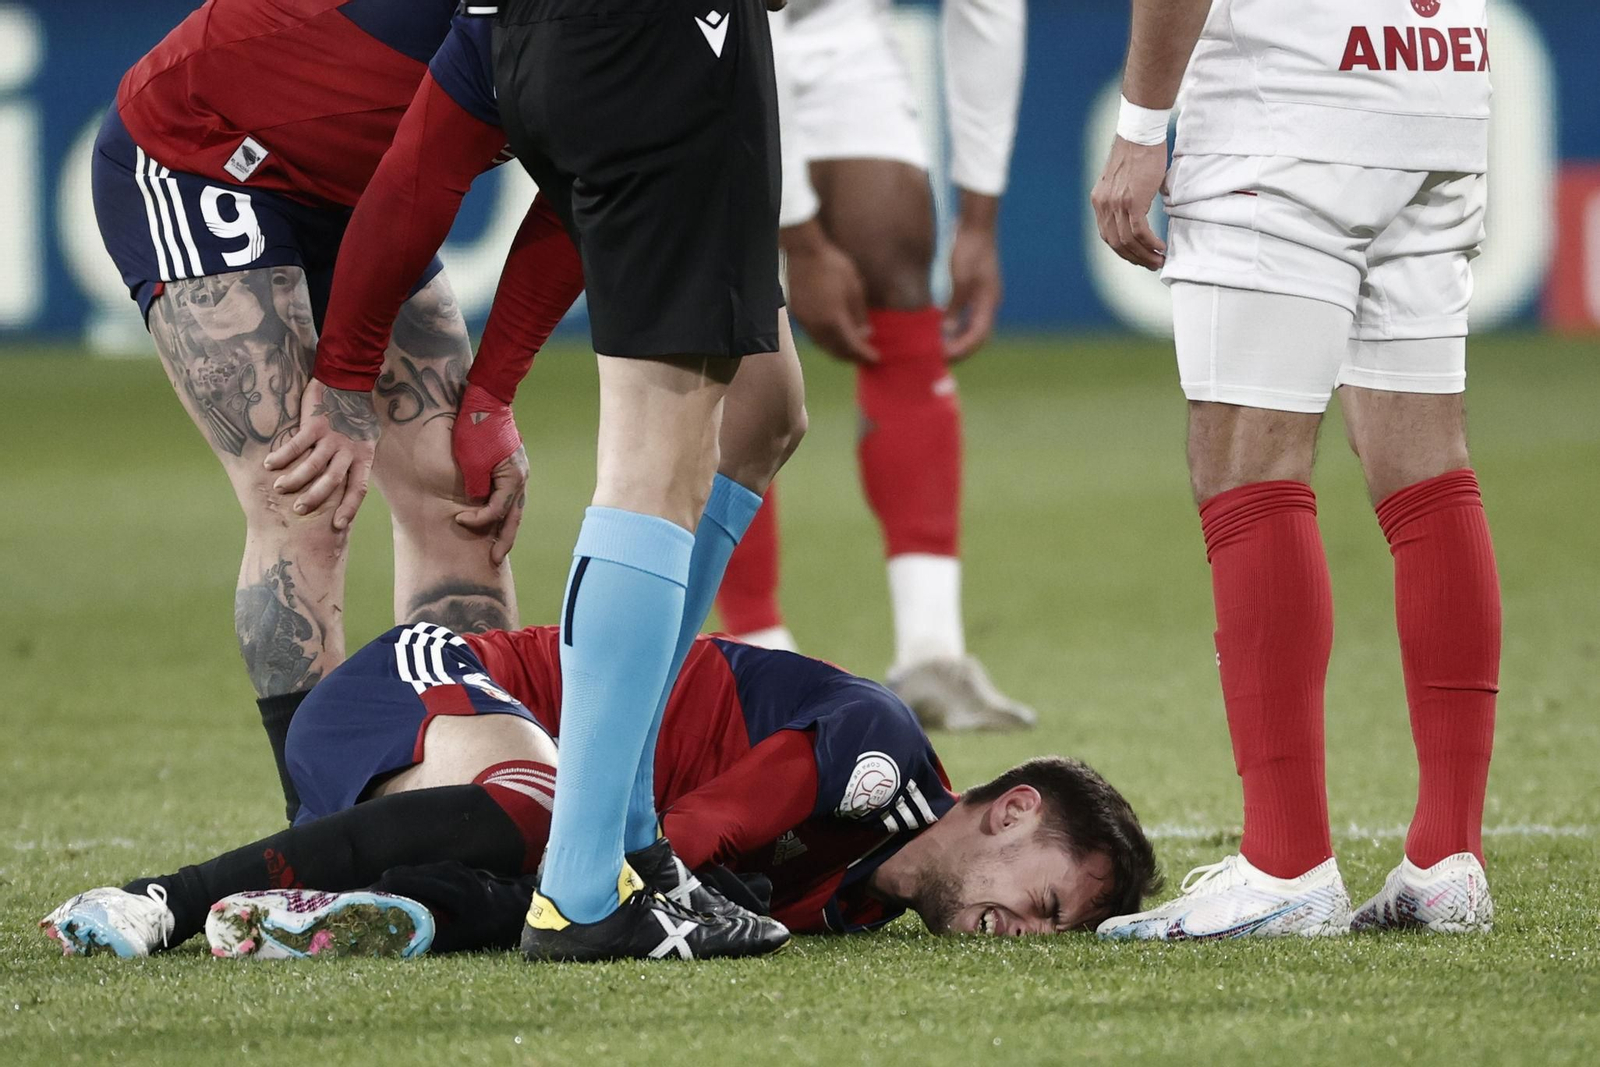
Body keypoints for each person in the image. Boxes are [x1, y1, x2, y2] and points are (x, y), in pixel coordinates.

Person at [262, 3, 810, 961]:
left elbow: (421, 164)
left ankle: (629, 835)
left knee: (763, 414)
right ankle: (584, 885)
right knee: (659, 453)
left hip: (534, 31)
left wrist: (361, 369)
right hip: (664, 36)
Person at [1090, 0, 1499, 938]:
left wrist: (1142, 127)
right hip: (1438, 73)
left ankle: (1284, 864)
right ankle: (1449, 857)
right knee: (1425, 460)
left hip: (1295, 90)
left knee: (1245, 460)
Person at [40, 622, 1160, 959]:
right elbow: (674, 840)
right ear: (1010, 810)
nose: (1023, 935)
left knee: (556, 878)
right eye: (1047, 902)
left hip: (442, 784)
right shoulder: (880, 750)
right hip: (430, 682)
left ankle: (343, 915)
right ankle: (163, 898)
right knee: (562, 822)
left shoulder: (864, 899)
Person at [89, 0, 533, 823]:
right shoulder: (558, 17)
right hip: (206, 148)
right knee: (306, 495)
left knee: (460, 491)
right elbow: (429, 169)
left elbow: (581, 200)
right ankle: (325, 829)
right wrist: (345, 380)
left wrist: (492, 400)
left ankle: (482, 808)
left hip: (364, 185)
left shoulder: (668, 30)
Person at [714, 0, 1034, 734]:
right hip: (697, 22)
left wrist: (978, 221)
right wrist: (798, 238)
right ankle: (755, 648)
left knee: (897, 259)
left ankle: (932, 652)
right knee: (724, 296)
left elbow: (988, 10)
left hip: (836, 22)